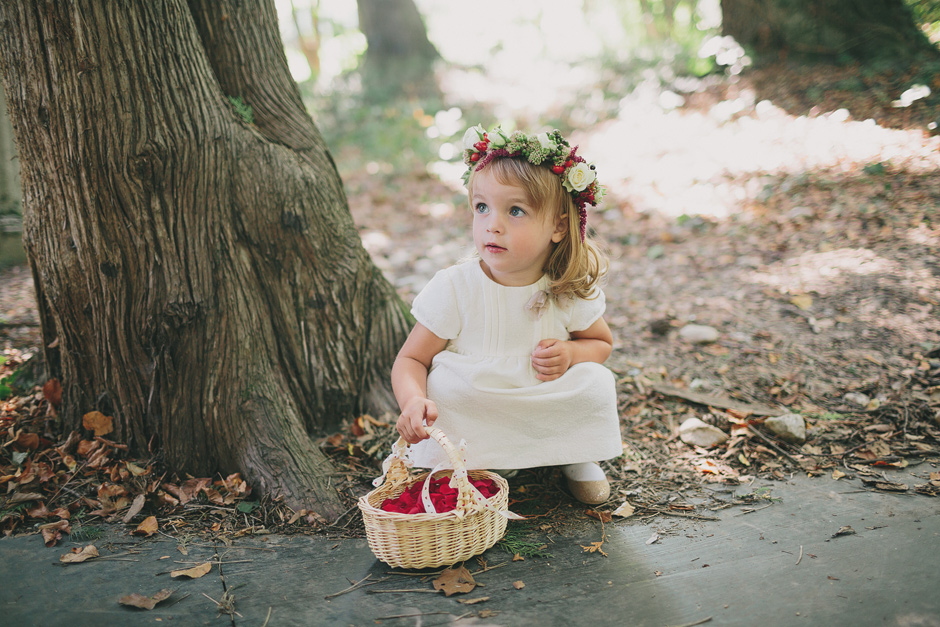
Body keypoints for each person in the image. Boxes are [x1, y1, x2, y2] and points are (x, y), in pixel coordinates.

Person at [392, 125, 622, 505]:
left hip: (544, 390)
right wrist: (413, 400)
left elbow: (600, 343)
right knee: (447, 388)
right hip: (480, 394)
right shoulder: (455, 287)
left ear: (558, 227)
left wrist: (572, 355)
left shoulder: (564, 284)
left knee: (595, 381)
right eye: (481, 207)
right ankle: (482, 460)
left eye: (515, 211)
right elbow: (412, 358)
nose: (491, 224)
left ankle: (576, 455)